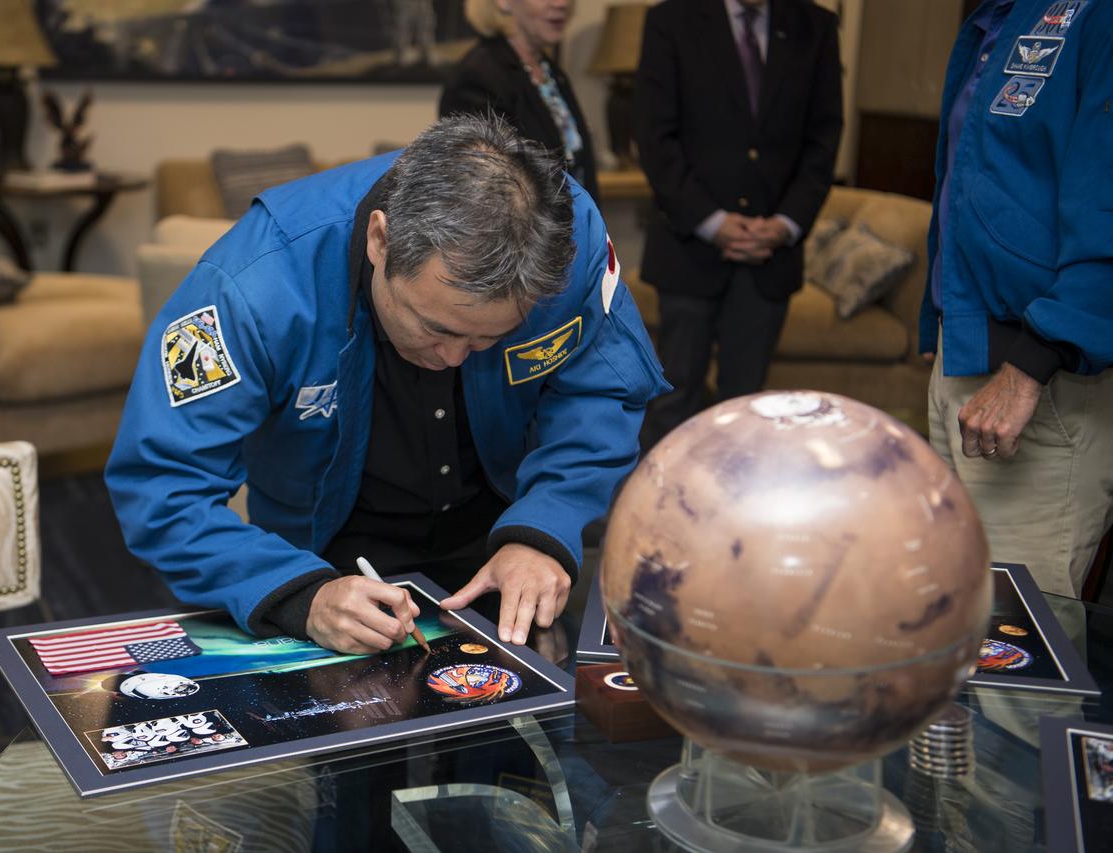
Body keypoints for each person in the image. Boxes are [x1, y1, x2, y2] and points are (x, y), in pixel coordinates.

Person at [105, 115, 667, 655]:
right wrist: (301, 595)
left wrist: (546, 526)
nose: (450, 358)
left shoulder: (568, 240)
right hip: (322, 546)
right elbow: (162, 484)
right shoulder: (251, 286)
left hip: (502, 520)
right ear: (381, 239)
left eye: (485, 340)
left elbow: (601, 391)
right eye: (435, 328)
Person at [921, 0, 1113, 598]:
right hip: (965, 357)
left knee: (1018, 651)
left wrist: (1030, 366)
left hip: (1045, 382)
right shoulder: (995, 20)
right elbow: (974, 181)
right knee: (950, 612)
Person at [634, 0, 842, 445]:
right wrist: (711, 221)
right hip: (688, 251)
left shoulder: (816, 27)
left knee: (748, 412)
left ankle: (730, 513)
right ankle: (659, 512)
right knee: (673, 401)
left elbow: (823, 141)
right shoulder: (670, 21)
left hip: (772, 258)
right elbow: (654, 137)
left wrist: (787, 223)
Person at [438, 0, 601, 207]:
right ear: (503, 2)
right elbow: (488, 189)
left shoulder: (551, 72)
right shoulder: (478, 76)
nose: (561, 4)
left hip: (572, 233)